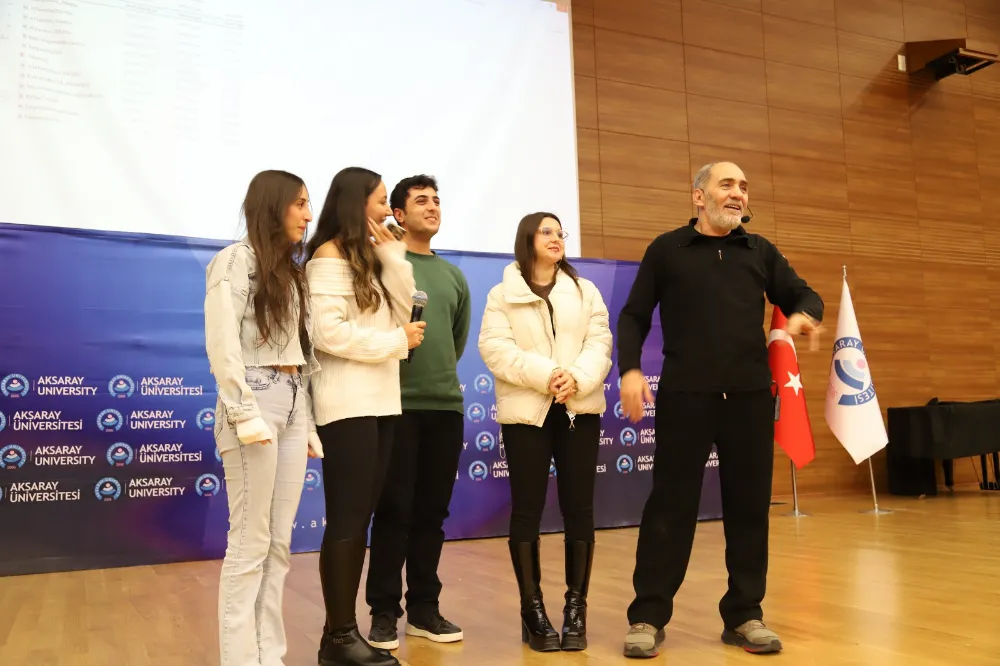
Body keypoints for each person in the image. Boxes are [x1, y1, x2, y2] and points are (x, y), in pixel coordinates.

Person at [616, 162, 824, 658]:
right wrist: (629, 370)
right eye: (726, 185)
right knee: (670, 507)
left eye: (743, 187)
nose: (737, 194)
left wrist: (802, 315)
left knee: (749, 508)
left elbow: (804, 294)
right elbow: (633, 315)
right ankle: (648, 615)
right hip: (686, 398)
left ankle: (745, 614)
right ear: (698, 196)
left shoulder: (760, 250)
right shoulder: (667, 250)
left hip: (749, 399)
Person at [305, 166, 425, 666]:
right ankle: (338, 637)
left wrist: (394, 256)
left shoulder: (371, 257)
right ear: (357, 205)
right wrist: (395, 343)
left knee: (362, 518)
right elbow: (327, 334)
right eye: (379, 201)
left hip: (381, 402)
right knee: (348, 519)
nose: (386, 211)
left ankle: (342, 635)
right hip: (346, 405)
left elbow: (405, 310)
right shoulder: (328, 256)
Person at [205, 169, 324, 666]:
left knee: (277, 544)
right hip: (253, 396)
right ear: (273, 206)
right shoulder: (236, 260)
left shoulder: (292, 273)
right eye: (299, 203)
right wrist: (240, 409)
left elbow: (301, 354)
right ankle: (240, 659)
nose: (308, 215)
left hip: (293, 402)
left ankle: (268, 656)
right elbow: (223, 341)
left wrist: (308, 422)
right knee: (250, 541)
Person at [478, 212, 613, 652]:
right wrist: (548, 375)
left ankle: (576, 608)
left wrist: (576, 378)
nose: (557, 238)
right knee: (527, 510)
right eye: (547, 232)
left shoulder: (585, 291)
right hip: (526, 412)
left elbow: (600, 343)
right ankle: (532, 610)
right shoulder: (502, 294)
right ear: (528, 239)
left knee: (580, 508)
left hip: (578, 408)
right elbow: (494, 349)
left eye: (560, 232)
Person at [364, 175, 471, 649]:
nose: (432, 207)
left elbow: (455, 340)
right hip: (395, 406)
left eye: (436, 200)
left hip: (445, 407)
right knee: (393, 511)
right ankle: (384, 612)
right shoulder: (380, 264)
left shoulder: (452, 276)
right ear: (398, 214)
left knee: (432, 514)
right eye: (420, 200)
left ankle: (425, 610)